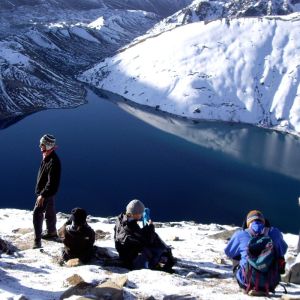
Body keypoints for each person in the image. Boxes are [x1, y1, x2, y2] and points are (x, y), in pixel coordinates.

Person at [225, 210, 288, 296]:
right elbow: (283, 250)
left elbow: (229, 252)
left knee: (236, 256)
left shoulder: (240, 234)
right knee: (279, 252)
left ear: (248, 222)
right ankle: (266, 284)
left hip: (246, 280)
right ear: (263, 221)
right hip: (271, 282)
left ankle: (246, 285)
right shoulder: (275, 232)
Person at [114, 199, 174, 272]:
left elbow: (136, 236)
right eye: (141, 213)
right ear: (135, 214)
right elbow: (148, 241)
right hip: (131, 260)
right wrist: (151, 227)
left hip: (123, 253)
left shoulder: (120, 219)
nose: (141, 215)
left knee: (150, 235)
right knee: (154, 239)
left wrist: (146, 229)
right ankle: (161, 261)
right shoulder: (131, 226)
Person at [33, 134, 61, 249]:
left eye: (43, 144)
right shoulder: (47, 156)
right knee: (49, 210)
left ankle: (37, 241)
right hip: (48, 192)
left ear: (49, 146)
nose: (40, 146)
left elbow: (52, 182)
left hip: (46, 193)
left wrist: (42, 195)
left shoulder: (53, 161)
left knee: (37, 213)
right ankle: (51, 232)